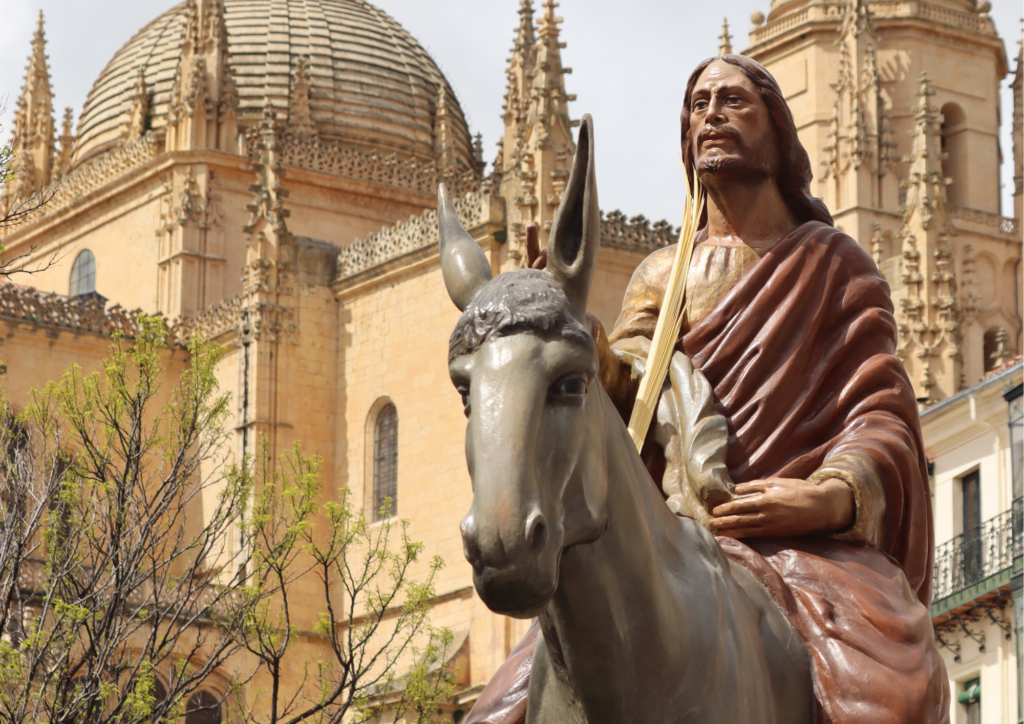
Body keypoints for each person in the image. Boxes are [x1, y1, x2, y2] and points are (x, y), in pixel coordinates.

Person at [467, 55, 949, 724]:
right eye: (698, 104)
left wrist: (826, 496)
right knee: (502, 708)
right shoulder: (661, 276)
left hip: (803, 546)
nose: (711, 114)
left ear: (777, 128)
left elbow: (882, 412)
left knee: (892, 695)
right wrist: (567, 329)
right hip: (678, 539)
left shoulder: (835, 265)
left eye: (733, 100)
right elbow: (625, 386)